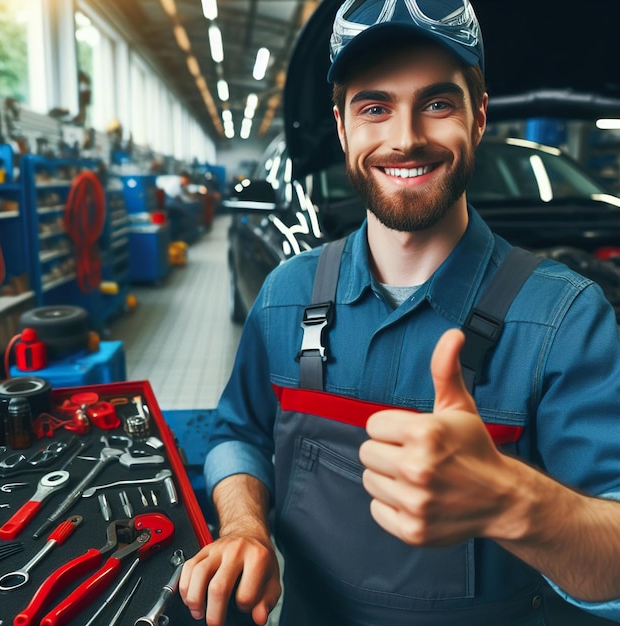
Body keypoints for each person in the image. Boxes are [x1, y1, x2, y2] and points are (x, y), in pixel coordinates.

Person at [179, 1, 620, 624]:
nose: (405, 136)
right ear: (342, 127)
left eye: (437, 103)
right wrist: (245, 527)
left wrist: (521, 507)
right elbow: (239, 434)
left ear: (479, 118)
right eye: (374, 107)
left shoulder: (565, 321)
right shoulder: (286, 296)